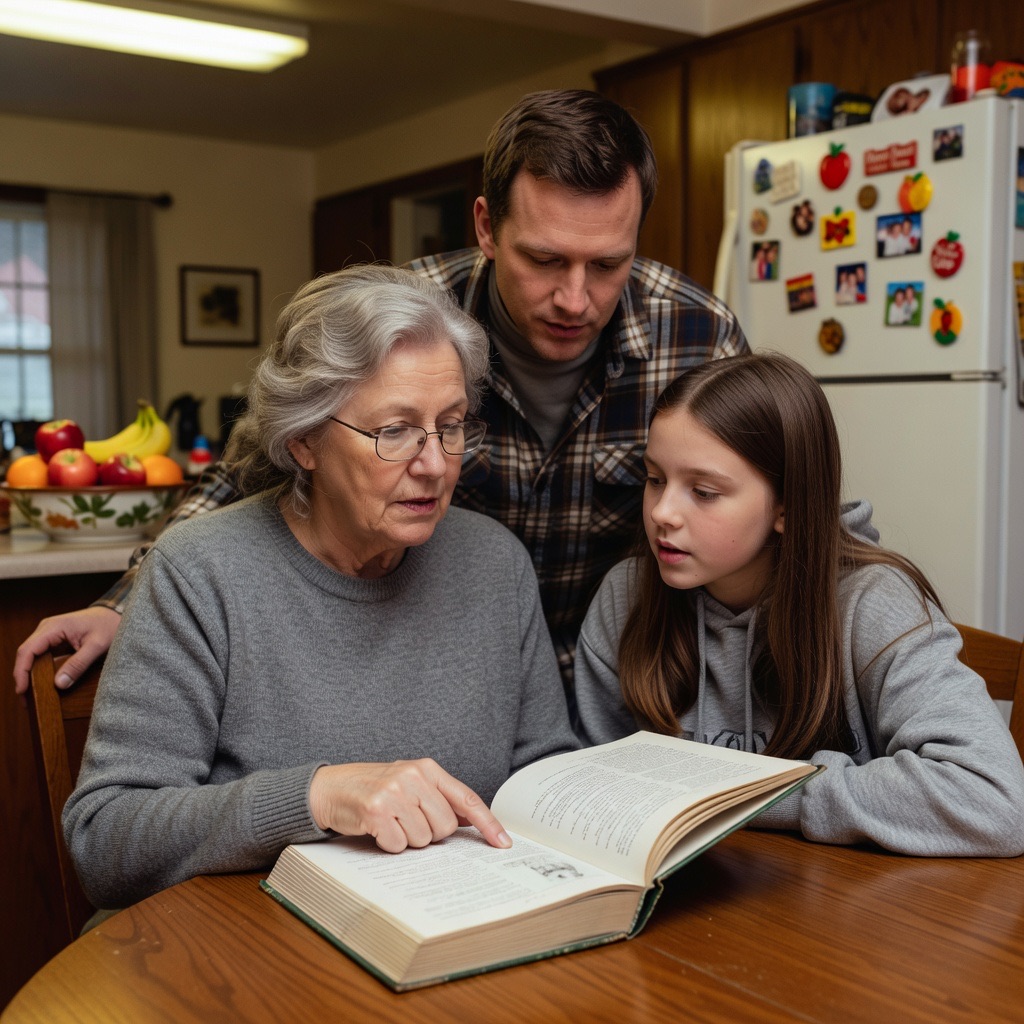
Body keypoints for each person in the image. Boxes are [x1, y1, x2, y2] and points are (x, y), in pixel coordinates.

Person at [14, 89, 747, 695]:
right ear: (488, 228)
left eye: (608, 264)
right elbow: (247, 475)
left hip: (624, 697)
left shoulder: (696, 334)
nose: (575, 298)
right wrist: (124, 604)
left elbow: (774, 493)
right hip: (448, 689)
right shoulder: (398, 319)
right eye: (545, 259)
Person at [62, 265, 578, 909]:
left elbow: (543, 786)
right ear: (304, 440)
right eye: (394, 431)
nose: (435, 463)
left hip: (447, 938)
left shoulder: (495, 565)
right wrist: (315, 796)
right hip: (237, 959)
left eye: (451, 425)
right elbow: (104, 841)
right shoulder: (198, 572)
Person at [572, 352, 1024, 856]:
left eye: (703, 491)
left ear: (786, 506)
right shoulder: (625, 596)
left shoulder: (874, 604)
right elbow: (596, 785)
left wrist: (750, 796)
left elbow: (993, 800)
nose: (662, 513)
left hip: (846, 913)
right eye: (655, 479)